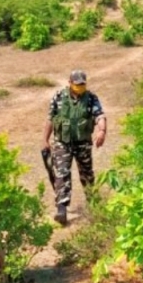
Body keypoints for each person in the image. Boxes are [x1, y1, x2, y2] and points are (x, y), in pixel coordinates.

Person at [43, 69, 107, 225]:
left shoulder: (91, 98)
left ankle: (93, 204)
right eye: (77, 83)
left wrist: (102, 130)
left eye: (82, 83)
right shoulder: (58, 97)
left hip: (82, 142)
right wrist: (44, 139)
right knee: (61, 173)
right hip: (62, 142)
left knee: (87, 173)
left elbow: (100, 116)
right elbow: (51, 119)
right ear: (70, 83)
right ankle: (62, 209)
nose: (80, 86)